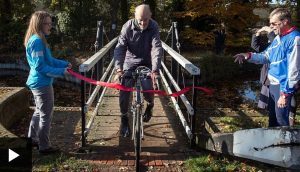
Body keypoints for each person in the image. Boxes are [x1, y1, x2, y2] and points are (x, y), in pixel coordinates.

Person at [234, 8, 300, 127]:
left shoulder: (294, 38)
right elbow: (266, 56)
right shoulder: (279, 38)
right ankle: (273, 144)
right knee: (272, 121)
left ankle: (284, 145)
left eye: (274, 23)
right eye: (270, 23)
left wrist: (285, 94)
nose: (271, 26)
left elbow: (294, 70)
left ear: (284, 21)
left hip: (283, 87)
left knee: (282, 123)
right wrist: (248, 56)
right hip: (273, 86)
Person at [24, 11, 72, 154]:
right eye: (47, 23)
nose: (50, 26)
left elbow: (49, 61)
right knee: (46, 114)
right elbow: (40, 67)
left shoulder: (39, 39)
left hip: (38, 82)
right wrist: (62, 72)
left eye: (51, 23)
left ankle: (31, 139)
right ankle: (44, 147)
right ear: (39, 24)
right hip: (41, 83)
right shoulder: (37, 41)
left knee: (39, 111)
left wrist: (64, 64)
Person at [113, 4, 162, 137]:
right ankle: (124, 118)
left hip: (147, 63)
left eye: (145, 19)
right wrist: (119, 69)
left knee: (148, 88)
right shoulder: (127, 27)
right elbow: (120, 48)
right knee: (124, 88)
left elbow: (156, 48)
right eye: (140, 19)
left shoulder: (153, 26)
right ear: (134, 16)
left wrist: (155, 70)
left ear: (150, 16)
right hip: (130, 63)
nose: (142, 22)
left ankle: (150, 105)